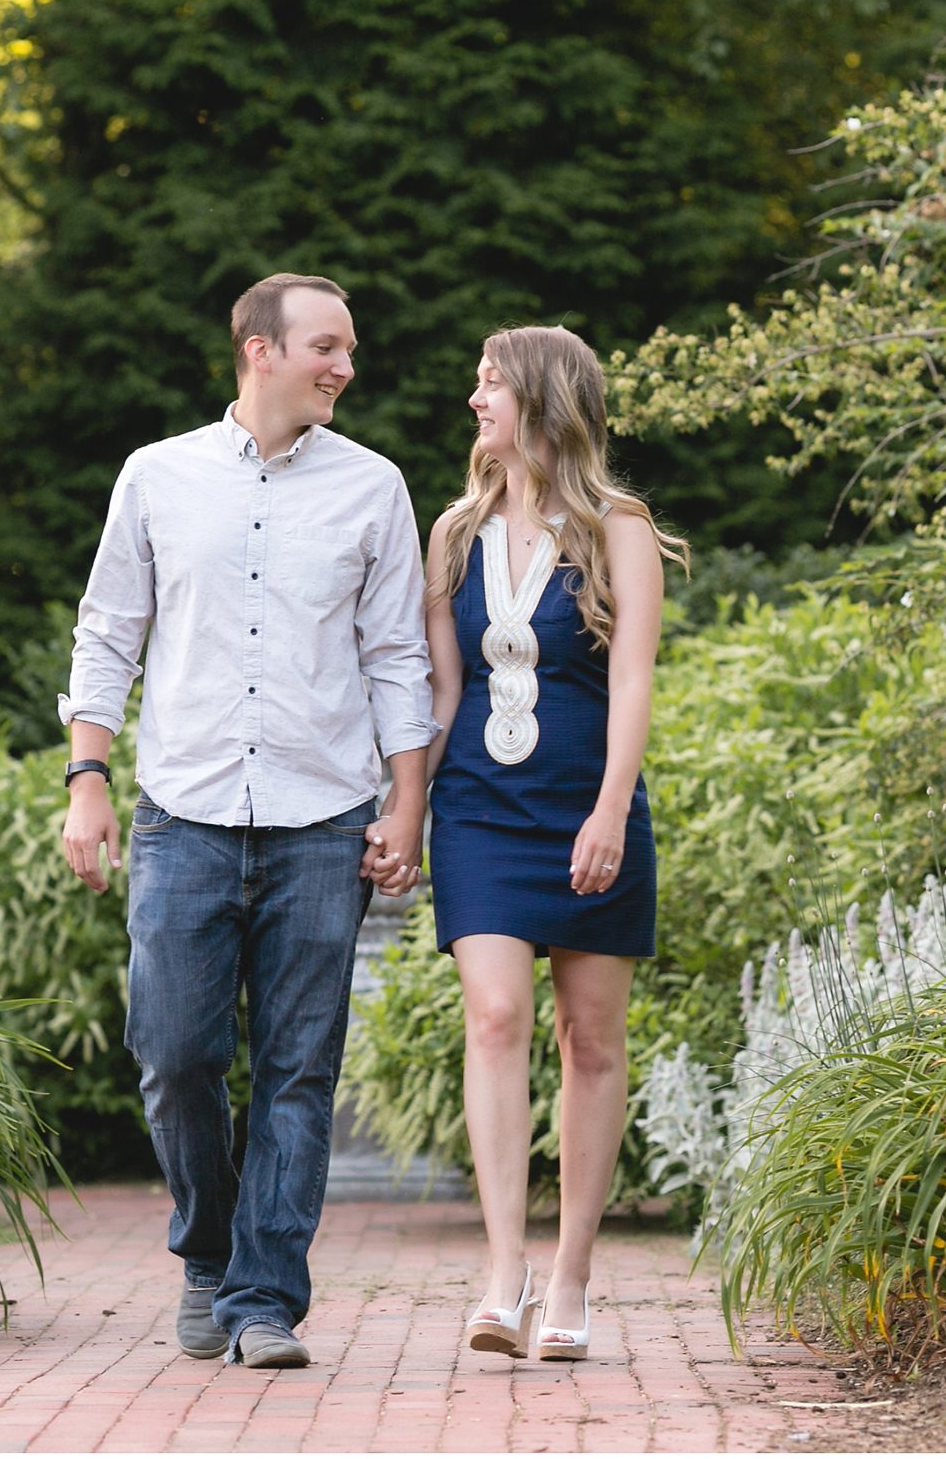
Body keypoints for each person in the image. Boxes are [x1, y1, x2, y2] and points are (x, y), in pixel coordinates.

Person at [58, 273, 434, 1369]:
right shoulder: (156, 478)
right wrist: (87, 777)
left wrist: (404, 803)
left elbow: (396, 660)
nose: (346, 367)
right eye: (327, 346)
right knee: (172, 1056)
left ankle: (263, 1300)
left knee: (297, 1071)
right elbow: (106, 634)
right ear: (258, 351)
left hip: (324, 819)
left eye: (350, 350)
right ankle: (207, 1253)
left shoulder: (372, 488)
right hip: (184, 814)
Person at [421, 325, 687, 1362]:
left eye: (488, 384)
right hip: (479, 811)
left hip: (589, 800)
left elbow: (631, 680)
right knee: (492, 1016)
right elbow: (444, 692)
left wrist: (611, 810)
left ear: (539, 399)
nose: (473, 400)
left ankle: (571, 1272)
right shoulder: (450, 533)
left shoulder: (618, 526)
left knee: (590, 1040)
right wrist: (403, 807)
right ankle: (503, 1271)